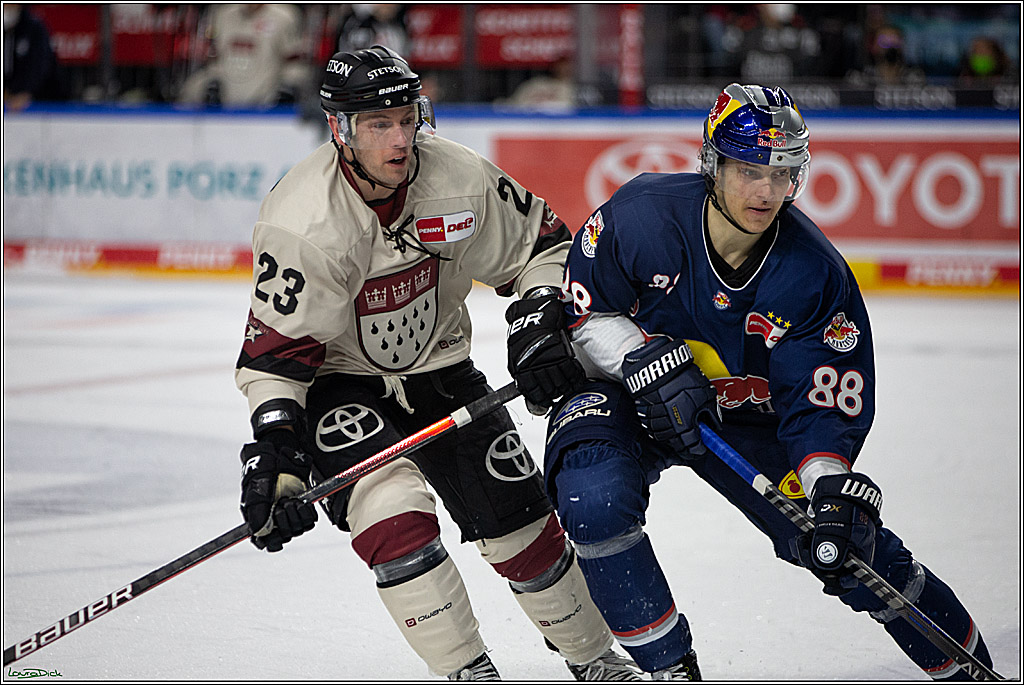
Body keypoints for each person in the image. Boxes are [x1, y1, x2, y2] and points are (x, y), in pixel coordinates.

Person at [538, 83, 997, 680]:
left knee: (854, 550)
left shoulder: (813, 275)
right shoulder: (640, 216)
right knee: (592, 498)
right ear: (713, 164)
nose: (766, 191)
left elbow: (819, 408)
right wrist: (641, 357)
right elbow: (588, 314)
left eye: (782, 173)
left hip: (744, 425)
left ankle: (967, 671)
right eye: (751, 170)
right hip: (632, 398)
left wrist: (830, 488)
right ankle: (668, 667)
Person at [233, 45, 640, 681]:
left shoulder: (459, 176)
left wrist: (538, 319)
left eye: (406, 118)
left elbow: (546, 249)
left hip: (444, 372)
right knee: (392, 514)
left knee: (522, 524)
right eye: (378, 125)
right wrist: (277, 452)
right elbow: (276, 361)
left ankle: (597, 662)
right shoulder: (303, 221)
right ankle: (466, 670)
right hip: (341, 387)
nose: (400, 139)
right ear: (340, 129)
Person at [178, 3, 308, 107]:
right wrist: (213, 80)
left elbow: (295, 65)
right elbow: (214, 58)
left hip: (266, 103)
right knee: (190, 91)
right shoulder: (222, 14)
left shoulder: (285, 16)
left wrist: (286, 89)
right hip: (224, 102)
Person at [2, 3, 65, 112]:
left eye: (9, 5)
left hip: (42, 101)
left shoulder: (34, 28)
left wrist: (26, 93)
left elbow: (41, 66)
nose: (6, 9)